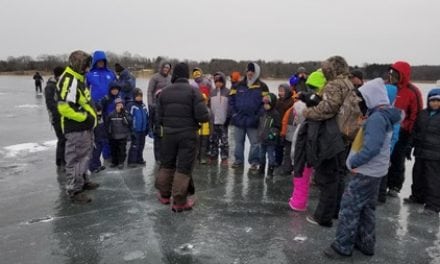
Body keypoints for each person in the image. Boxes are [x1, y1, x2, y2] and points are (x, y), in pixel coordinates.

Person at [324, 78, 401, 259]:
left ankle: (342, 247)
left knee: (349, 207)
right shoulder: (384, 115)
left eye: (364, 99)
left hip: (366, 171)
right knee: (366, 208)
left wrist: (354, 162)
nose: (362, 103)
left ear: (372, 98)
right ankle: (366, 243)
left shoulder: (377, 119)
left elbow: (372, 148)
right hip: (376, 172)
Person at [303, 56, 354, 227]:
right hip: (343, 135)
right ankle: (335, 211)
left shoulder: (334, 84)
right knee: (338, 175)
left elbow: (329, 108)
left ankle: (323, 216)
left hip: (331, 134)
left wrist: (308, 112)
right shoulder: (347, 82)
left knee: (327, 176)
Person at [155, 62, 209, 212]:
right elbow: (203, 116)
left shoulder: (164, 92)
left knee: (167, 164)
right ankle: (179, 202)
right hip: (188, 135)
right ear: (186, 75)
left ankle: (164, 195)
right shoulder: (194, 91)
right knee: (183, 167)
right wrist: (208, 112)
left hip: (169, 135)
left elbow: (158, 117)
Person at [56, 50, 99, 203]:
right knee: (75, 159)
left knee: (85, 156)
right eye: (86, 64)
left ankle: (83, 180)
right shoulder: (69, 79)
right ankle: (74, 190)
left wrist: (93, 110)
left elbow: (83, 101)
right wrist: (85, 118)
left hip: (85, 128)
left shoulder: (78, 78)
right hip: (75, 128)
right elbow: (64, 107)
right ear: (78, 64)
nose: (88, 68)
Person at [386, 61, 423, 197]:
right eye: (391, 73)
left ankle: (395, 185)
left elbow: (416, 114)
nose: (392, 76)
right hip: (384, 128)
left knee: (397, 159)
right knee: (383, 157)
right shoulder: (386, 86)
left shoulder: (412, 91)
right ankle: (381, 183)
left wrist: (409, 132)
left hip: (403, 132)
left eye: (395, 73)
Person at [404, 88, 440, 216]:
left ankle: (433, 205)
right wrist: (409, 146)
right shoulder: (423, 114)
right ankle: (417, 196)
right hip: (420, 152)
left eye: (438, 101)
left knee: (432, 179)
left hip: (435, 154)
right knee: (417, 175)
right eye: (432, 100)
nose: (435, 103)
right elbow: (414, 132)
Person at [229, 62, 269, 171]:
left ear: (256, 73)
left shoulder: (263, 86)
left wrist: (258, 115)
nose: (250, 73)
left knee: (255, 144)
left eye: (252, 71)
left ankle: (254, 162)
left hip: (254, 120)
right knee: (238, 143)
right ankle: (238, 160)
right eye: (248, 71)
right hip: (239, 119)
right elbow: (231, 101)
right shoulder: (237, 85)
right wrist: (234, 114)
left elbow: (265, 104)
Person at [147, 61, 172, 162]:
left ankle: (166, 155)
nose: (166, 69)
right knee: (158, 133)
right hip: (156, 105)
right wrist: (150, 104)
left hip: (168, 107)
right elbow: (149, 91)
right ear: (161, 68)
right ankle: (158, 157)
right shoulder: (155, 77)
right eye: (164, 67)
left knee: (166, 134)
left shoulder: (170, 78)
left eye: (168, 68)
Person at [44, 66, 66, 170]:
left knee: (65, 138)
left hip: (64, 116)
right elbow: (50, 103)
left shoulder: (60, 84)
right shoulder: (50, 86)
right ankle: (60, 161)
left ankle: (63, 159)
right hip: (56, 117)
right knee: (62, 138)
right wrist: (59, 113)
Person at [208, 72, 230, 165]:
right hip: (214, 121)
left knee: (224, 141)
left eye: (220, 82)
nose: (218, 83)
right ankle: (213, 156)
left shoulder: (227, 92)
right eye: (216, 82)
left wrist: (228, 119)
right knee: (213, 140)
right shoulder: (212, 92)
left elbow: (230, 107)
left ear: (223, 82)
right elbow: (208, 106)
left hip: (223, 121)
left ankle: (224, 158)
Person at [258, 93, 281, 177]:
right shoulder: (263, 112)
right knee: (261, 155)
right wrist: (260, 134)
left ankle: (270, 171)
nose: (265, 105)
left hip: (271, 140)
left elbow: (277, 126)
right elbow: (260, 125)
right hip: (262, 139)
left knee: (271, 156)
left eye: (267, 104)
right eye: (264, 104)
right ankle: (261, 169)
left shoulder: (275, 114)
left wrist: (272, 134)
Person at [107, 98, 132, 169]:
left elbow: (128, 123)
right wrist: (109, 133)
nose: (119, 107)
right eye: (117, 105)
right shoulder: (111, 114)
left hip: (123, 136)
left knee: (122, 151)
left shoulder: (126, 113)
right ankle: (114, 162)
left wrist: (123, 115)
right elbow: (108, 124)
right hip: (114, 136)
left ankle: (121, 162)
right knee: (113, 150)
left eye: (120, 105)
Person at [127, 88, 149, 167]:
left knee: (141, 145)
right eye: (137, 96)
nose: (139, 97)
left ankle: (139, 159)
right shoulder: (131, 105)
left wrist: (147, 127)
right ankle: (132, 161)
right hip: (135, 130)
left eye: (140, 96)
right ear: (134, 96)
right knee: (134, 145)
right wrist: (131, 129)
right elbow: (129, 118)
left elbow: (146, 116)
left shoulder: (143, 105)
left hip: (142, 129)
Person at [275, 83, 294, 173]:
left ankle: (287, 165)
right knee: (278, 146)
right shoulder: (277, 101)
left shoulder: (291, 102)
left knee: (287, 148)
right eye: (279, 91)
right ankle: (278, 162)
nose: (280, 93)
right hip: (278, 126)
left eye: (282, 91)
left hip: (287, 127)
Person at [89, 105, 107, 173]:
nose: (99, 113)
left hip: (101, 137)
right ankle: (93, 168)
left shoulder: (101, 117)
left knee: (98, 153)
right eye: (98, 111)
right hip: (95, 139)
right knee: (94, 154)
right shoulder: (92, 118)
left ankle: (98, 165)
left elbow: (103, 127)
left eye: (100, 111)